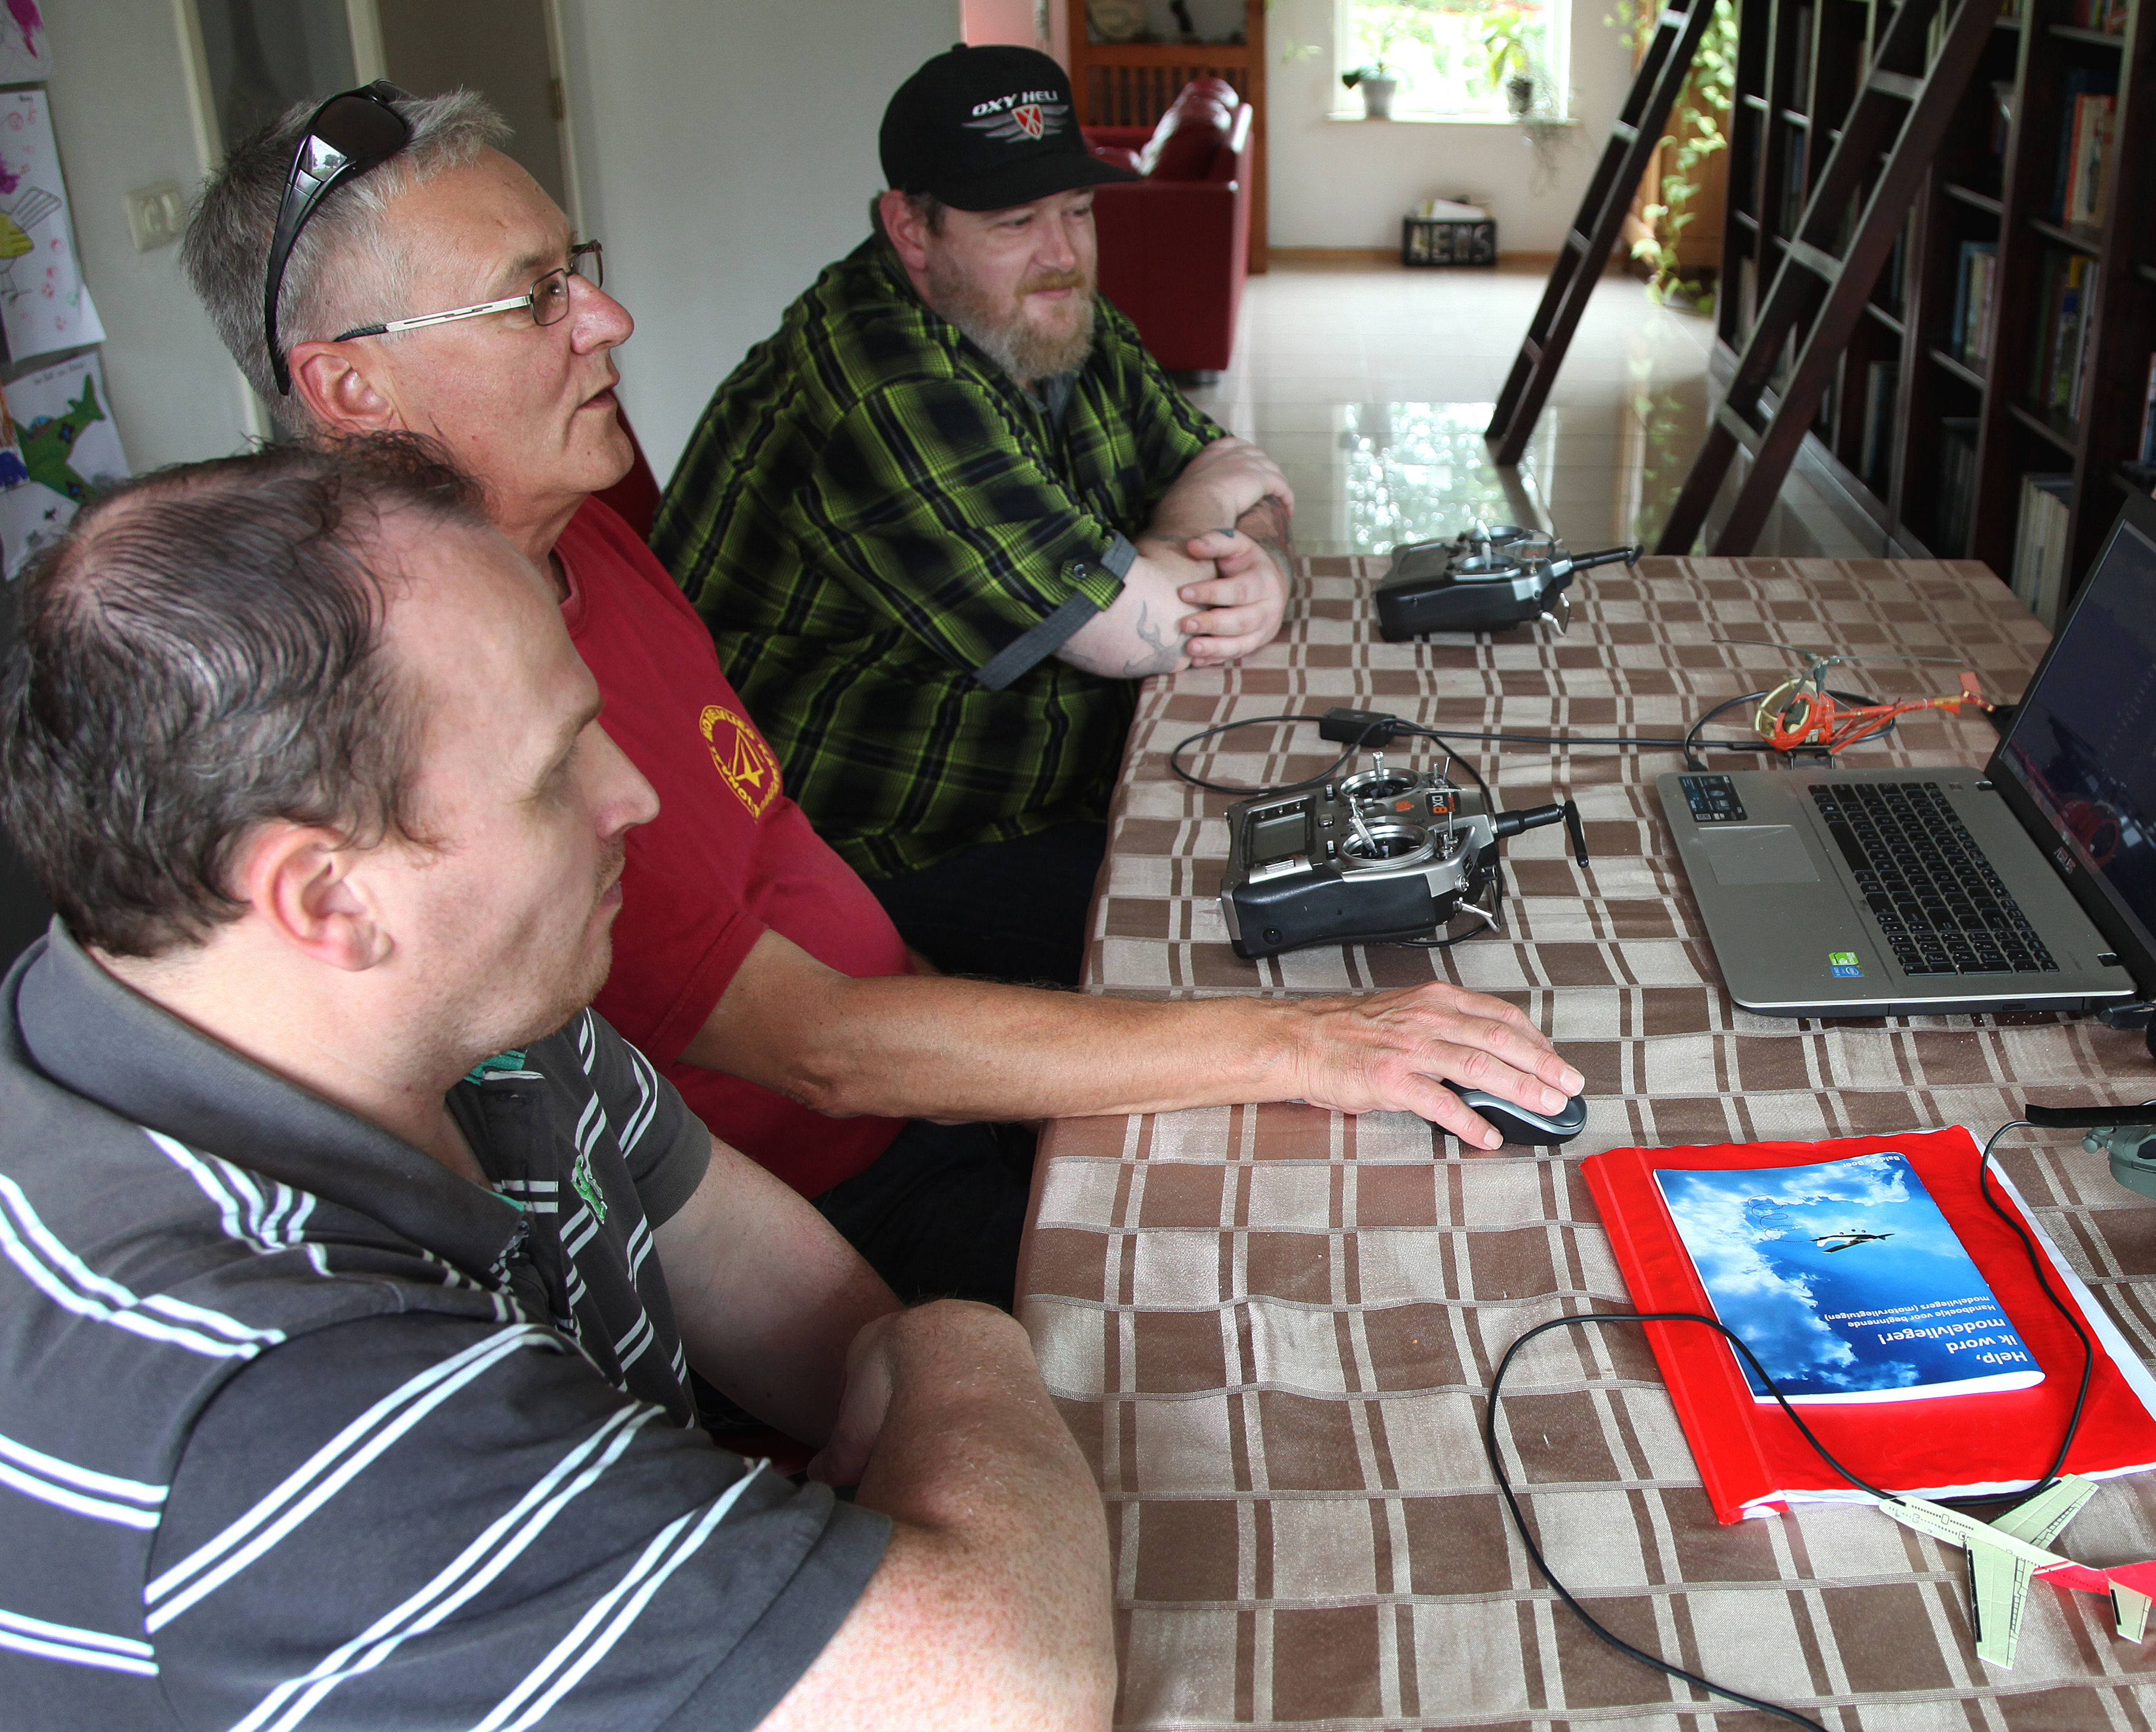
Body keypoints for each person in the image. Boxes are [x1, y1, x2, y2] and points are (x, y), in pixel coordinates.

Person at [177, 84, 1581, 1309]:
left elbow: (1213, 464)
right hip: (835, 1173)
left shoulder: (578, 525)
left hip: (900, 1002)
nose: (609, 318)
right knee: (1308, 1246)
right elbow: (819, 1054)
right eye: (534, 294)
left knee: (1318, 932)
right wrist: (1304, 1046)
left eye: (576, 270)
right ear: (350, 384)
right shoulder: (450, 723)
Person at [0, 441, 1111, 1730]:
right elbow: (1010, 1681)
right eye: (553, 770)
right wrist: (961, 1336)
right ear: (327, 898)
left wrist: (908, 1373)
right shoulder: (264, 1397)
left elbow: (767, 1283)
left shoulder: (452, 1011)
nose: (633, 794)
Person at [653, 43, 1287, 987]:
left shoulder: (1043, 313)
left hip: (1057, 785)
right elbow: (1143, 629)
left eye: (1078, 209)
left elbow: (1252, 477)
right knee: (1243, 937)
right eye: (1015, 221)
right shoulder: (881, 384)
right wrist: (1207, 517)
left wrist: (1258, 556)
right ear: (911, 228)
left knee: (1322, 837)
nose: (1062, 253)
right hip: (869, 848)